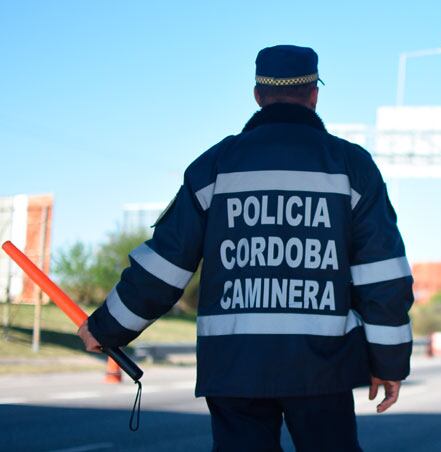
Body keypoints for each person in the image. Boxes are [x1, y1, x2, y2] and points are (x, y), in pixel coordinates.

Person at [77, 45, 414, 452]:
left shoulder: (216, 165)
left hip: (235, 365)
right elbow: (383, 276)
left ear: (257, 95)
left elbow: (167, 262)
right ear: (314, 94)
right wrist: (389, 362)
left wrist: (107, 326)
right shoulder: (351, 166)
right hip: (322, 367)